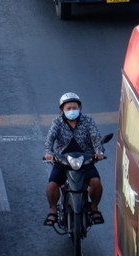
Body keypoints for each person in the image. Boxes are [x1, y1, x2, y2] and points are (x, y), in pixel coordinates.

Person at [43, 92, 105, 226]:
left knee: (96, 183)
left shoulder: (88, 121)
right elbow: (50, 138)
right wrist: (48, 152)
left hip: (85, 159)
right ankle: (53, 209)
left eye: (74, 108)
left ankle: (94, 207)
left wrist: (98, 152)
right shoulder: (57, 122)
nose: (72, 110)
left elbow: (95, 137)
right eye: (68, 108)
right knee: (52, 185)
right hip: (63, 160)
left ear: (80, 108)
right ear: (62, 110)